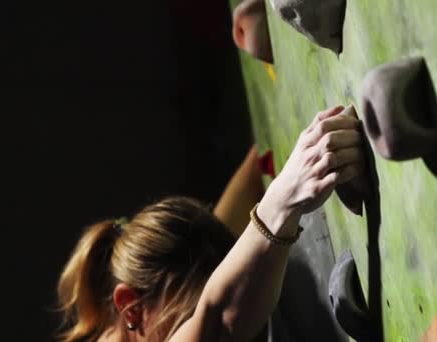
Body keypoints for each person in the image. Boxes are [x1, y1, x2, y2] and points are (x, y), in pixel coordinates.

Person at [57, 105, 364, 341]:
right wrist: (281, 199)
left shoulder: (143, 314)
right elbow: (217, 319)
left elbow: (229, 257)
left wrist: (275, 161)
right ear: (132, 308)